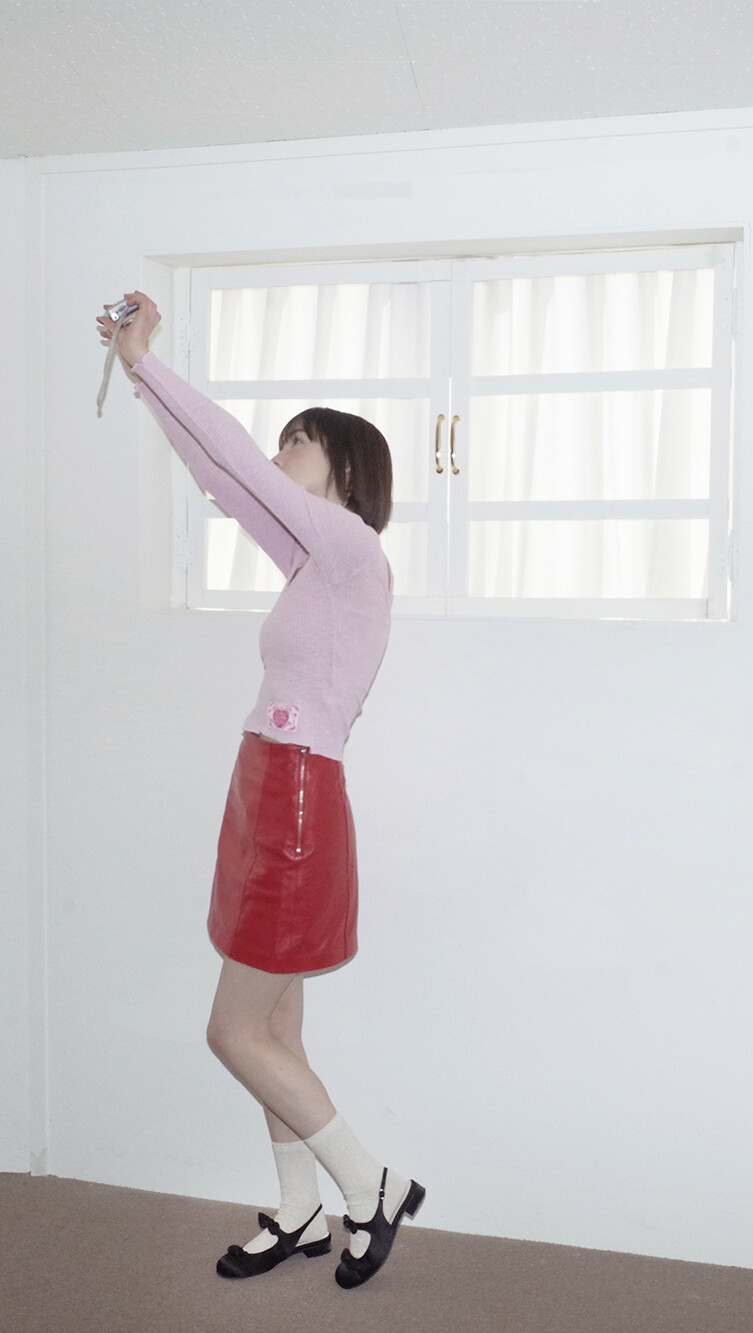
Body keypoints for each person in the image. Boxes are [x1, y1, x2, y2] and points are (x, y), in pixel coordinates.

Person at [96, 291, 423, 1289]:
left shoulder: (349, 550)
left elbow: (234, 454)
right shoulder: (309, 565)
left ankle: (370, 1183)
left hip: (295, 795)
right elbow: (217, 471)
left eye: (298, 442)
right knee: (273, 1028)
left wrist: (148, 360)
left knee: (231, 1030)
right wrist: (136, 373)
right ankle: (297, 1206)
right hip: (268, 784)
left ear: (345, 467)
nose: (277, 454)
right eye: (280, 440)